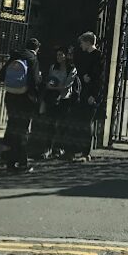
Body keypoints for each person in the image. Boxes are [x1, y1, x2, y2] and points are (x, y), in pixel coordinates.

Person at [0, 37, 42, 173]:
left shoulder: (15, 56)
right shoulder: (33, 59)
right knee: (22, 130)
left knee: (12, 126)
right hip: (24, 99)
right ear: (37, 48)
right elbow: (34, 82)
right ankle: (22, 162)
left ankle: (8, 160)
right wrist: (36, 97)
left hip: (10, 96)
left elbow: (0, 76)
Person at [67, 31, 103, 161]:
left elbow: (99, 77)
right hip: (82, 93)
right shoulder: (84, 55)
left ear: (88, 42)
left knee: (87, 123)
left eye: (82, 43)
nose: (81, 45)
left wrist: (94, 94)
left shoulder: (98, 56)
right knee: (79, 122)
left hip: (90, 94)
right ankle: (77, 150)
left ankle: (85, 152)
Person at [43, 46, 79, 158]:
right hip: (53, 99)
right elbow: (49, 81)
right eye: (57, 55)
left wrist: (54, 87)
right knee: (51, 124)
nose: (58, 57)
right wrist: (53, 87)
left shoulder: (71, 69)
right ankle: (48, 148)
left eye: (60, 54)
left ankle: (59, 148)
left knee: (62, 125)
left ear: (66, 55)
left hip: (64, 99)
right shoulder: (53, 67)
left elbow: (67, 86)